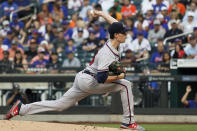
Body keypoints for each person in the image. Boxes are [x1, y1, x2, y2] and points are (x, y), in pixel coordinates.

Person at [3, 10, 145, 131]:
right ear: (117, 35)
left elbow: (114, 23)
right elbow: (102, 79)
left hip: (84, 78)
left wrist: (100, 13)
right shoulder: (107, 53)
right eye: (123, 33)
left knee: (60, 105)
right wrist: (117, 77)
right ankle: (128, 121)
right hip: (91, 81)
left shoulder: (113, 42)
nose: (126, 34)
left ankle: (21, 109)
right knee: (125, 84)